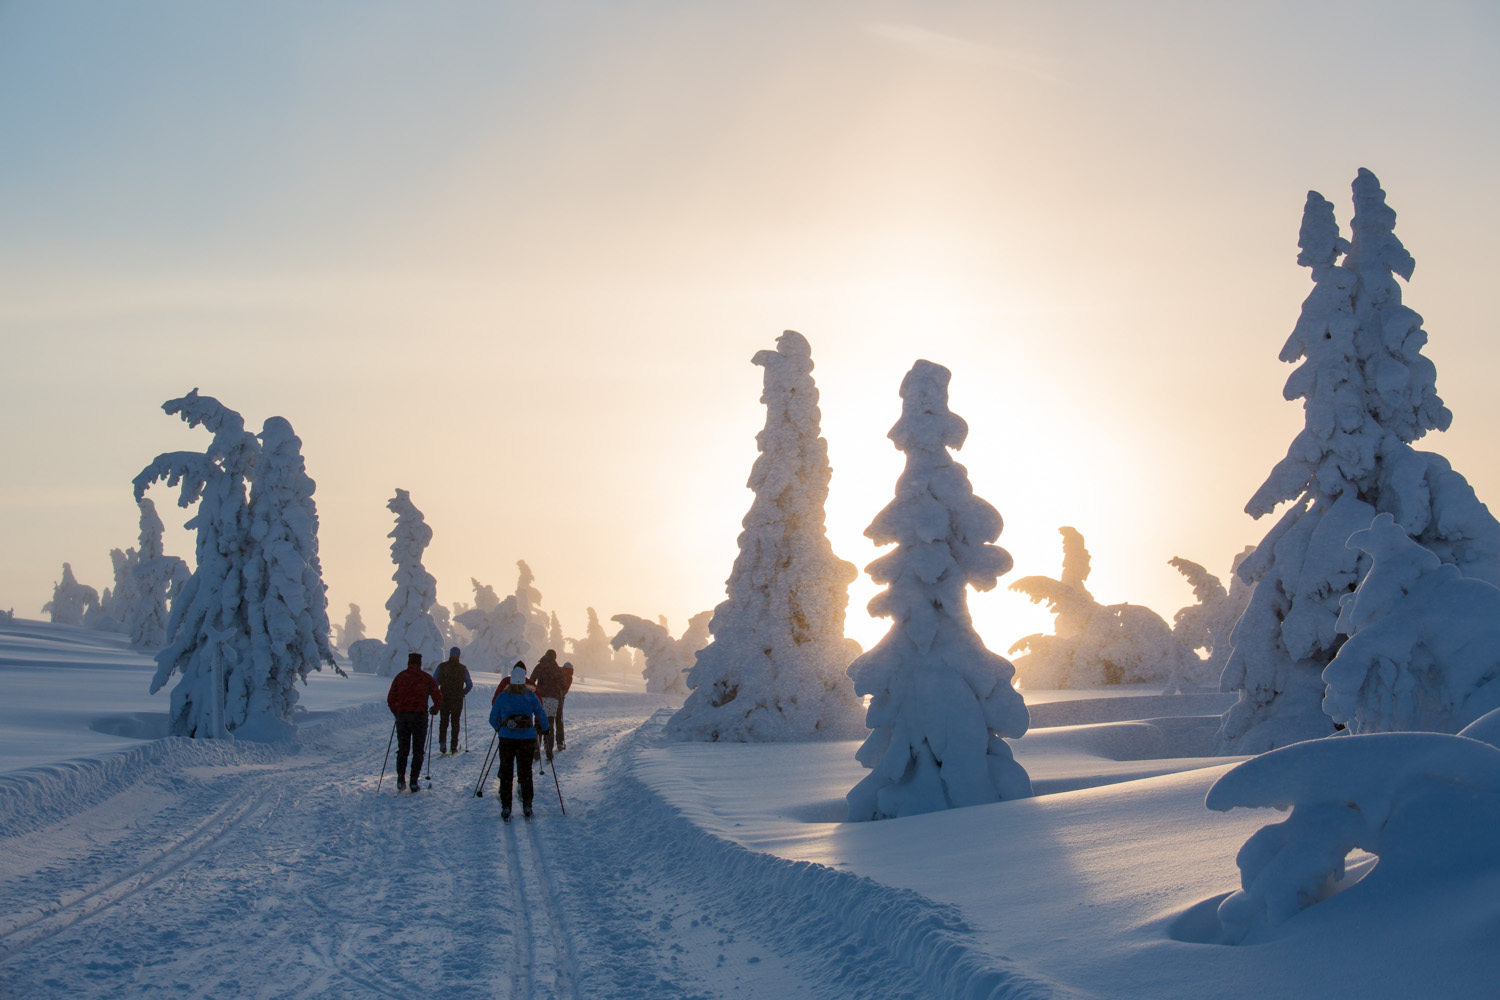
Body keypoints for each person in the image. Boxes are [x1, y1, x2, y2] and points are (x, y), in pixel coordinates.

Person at [488, 662, 550, 820]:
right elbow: (541, 714)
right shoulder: (531, 696)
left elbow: (492, 718)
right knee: (525, 772)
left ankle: (506, 806)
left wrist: (499, 728)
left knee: (507, 773)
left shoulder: (503, 696)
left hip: (507, 739)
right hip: (527, 739)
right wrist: (545, 728)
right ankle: (527, 804)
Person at [386, 651, 442, 793]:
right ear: (420, 663)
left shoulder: (400, 677)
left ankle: (400, 779)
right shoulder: (426, 678)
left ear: (408, 662)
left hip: (403, 717)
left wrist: (397, 711)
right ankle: (413, 781)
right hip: (419, 718)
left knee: (403, 749)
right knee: (418, 751)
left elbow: (391, 698)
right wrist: (435, 709)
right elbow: (437, 696)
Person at [433, 646, 473, 755]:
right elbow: (469, 684)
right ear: (459, 656)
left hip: (444, 698)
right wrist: (463, 692)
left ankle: (442, 743)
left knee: (443, 721)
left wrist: (437, 693)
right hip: (457, 698)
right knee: (455, 722)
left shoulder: (442, 666)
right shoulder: (463, 668)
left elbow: (434, 682)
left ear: (450, 654)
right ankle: (454, 745)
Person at [530, 649, 567, 759]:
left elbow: (532, 680)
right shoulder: (556, 668)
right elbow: (563, 685)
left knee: (538, 723)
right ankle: (549, 750)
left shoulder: (539, 666)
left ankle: (536, 750)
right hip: (553, 699)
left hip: (540, 698)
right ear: (554, 657)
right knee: (549, 724)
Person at [557, 662, 575, 750]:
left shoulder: (558, 671)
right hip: (560, 697)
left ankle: (547, 742)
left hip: (552, 695)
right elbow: (565, 688)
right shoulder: (570, 677)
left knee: (550, 718)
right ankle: (560, 742)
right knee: (559, 719)